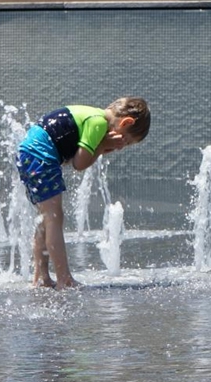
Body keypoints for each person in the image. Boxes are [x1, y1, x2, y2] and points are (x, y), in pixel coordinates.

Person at [17, 97, 150, 289]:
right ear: (126, 122)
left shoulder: (94, 116)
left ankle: (41, 276)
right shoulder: (98, 123)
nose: (122, 146)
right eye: (126, 141)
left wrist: (102, 147)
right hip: (40, 156)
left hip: (30, 153)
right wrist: (103, 146)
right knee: (54, 217)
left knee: (46, 218)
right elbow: (80, 164)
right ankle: (64, 278)